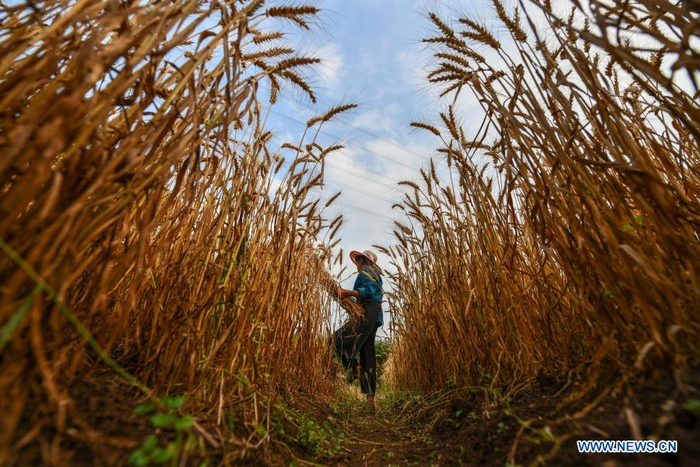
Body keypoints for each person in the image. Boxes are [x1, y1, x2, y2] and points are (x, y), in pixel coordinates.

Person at [334, 249, 384, 411]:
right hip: (372, 314)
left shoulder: (367, 271)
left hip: (370, 311)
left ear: (364, 260)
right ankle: (370, 399)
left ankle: (353, 365)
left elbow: (370, 293)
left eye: (358, 260)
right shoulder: (371, 272)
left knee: (336, 339)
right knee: (367, 352)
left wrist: (346, 292)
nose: (356, 263)